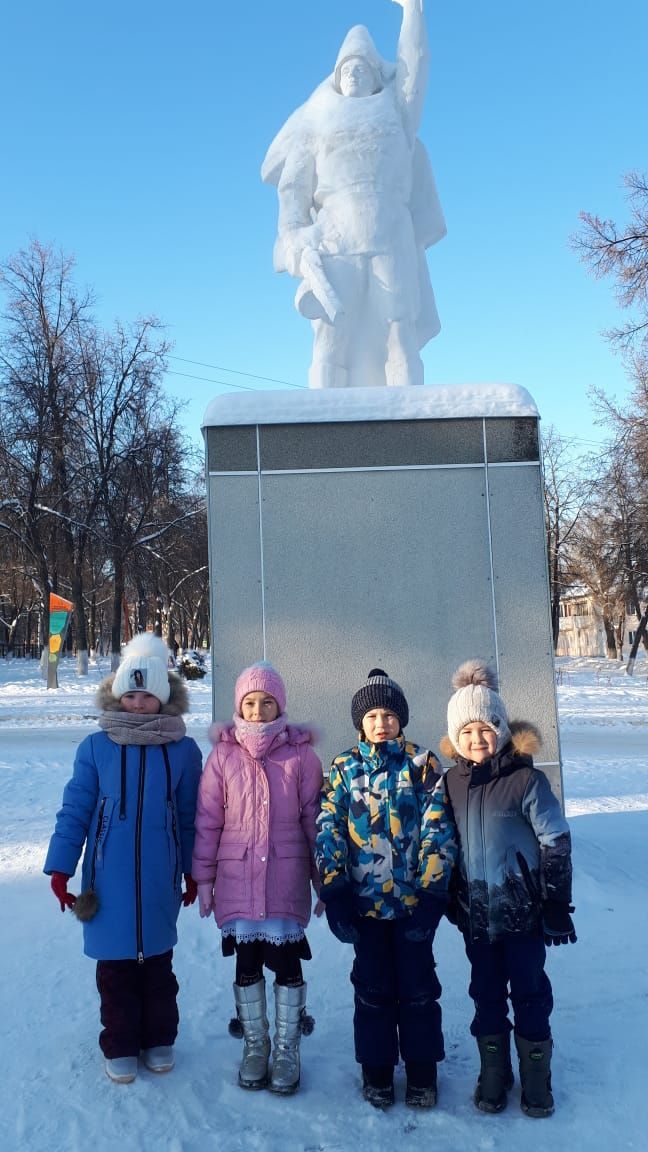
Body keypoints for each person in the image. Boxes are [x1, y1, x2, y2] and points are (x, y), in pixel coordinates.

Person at [261, 0, 446, 389]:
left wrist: (412, 12)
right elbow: (293, 189)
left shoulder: (396, 112)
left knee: (399, 328)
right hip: (334, 238)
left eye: (361, 67)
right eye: (346, 68)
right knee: (331, 335)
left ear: (377, 74)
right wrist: (294, 236)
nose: (354, 73)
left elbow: (415, 67)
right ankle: (322, 419)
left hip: (389, 231)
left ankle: (412, 414)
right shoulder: (318, 118)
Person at [43, 633, 202, 1084]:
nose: (137, 703)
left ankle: (159, 1039)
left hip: (159, 878)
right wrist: (60, 867)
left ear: (162, 698)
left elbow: (191, 817)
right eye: (130, 694)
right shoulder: (95, 749)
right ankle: (120, 1044)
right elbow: (75, 809)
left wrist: (194, 869)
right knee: (114, 972)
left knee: (157, 969)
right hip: (107, 882)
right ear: (117, 695)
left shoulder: (183, 751)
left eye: (146, 695)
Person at [437, 659, 576, 1118]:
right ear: (457, 737)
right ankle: (493, 1075)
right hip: (476, 918)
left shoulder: (525, 780)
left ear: (501, 727)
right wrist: (450, 898)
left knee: (531, 993)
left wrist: (556, 902)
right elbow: (446, 844)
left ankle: (537, 1077)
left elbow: (555, 839)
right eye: (468, 731)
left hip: (523, 914)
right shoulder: (450, 784)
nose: (478, 739)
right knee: (486, 994)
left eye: (487, 728)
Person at [316, 669, 456, 1109]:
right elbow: (328, 829)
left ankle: (421, 1071)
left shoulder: (423, 764)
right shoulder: (343, 768)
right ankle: (376, 1069)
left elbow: (439, 829)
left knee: (418, 989)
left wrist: (433, 896)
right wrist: (335, 892)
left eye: (390, 715)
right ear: (361, 722)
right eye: (373, 715)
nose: (382, 722)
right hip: (365, 907)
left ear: (402, 720)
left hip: (414, 905)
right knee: (372, 990)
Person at [192, 661, 323, 1095]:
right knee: (246, 963)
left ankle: (287, 1048)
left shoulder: (301, 756)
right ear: (239, 707)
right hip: (237, 878)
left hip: (284, 877)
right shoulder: (223, 756)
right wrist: (204, 880)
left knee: (287, 963)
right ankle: (255, 1044)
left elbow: (314, 820)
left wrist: (324, 878)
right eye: (250, 702)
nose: (258, 710)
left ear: (279, 706)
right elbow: (209, 821)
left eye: (267, 702)